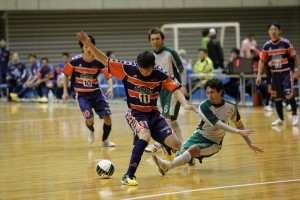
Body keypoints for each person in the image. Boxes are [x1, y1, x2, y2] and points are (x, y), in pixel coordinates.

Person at [76, 31, 198, 186]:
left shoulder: (160, 73)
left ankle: (167, 146)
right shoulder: (128, 69)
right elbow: (105, 60)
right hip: (136, 113)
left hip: (153, 114)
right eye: (142, 69)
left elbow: (175, 89)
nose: (144, 73)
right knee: (145, 136)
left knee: (175, 144)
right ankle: (128, 175)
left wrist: (186, 104)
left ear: (153, 66)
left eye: (147, 70)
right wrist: (90, 44)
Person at [152, 78, 264, 175]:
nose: (210, 95)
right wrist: (237, 131)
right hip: (199, 135)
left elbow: (240, 125)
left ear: (220, 92)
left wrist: (250, 143)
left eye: (212, 92)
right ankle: (189, 158)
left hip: (213, 142)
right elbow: (217, 123)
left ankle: (166, 166)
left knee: (192, 150)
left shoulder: (231, 108)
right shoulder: (204, 106)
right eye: (207, 93)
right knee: (179, 155)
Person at [62, 35, 115, 147]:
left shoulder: (98, 61)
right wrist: (65, 92)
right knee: (90, 119)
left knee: (108, 118)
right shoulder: (75, 61)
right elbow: (66, 74)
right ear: (82, 48)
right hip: (82, 95)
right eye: (86, 46)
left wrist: (110, 87)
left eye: (90, 46)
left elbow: (108, 76)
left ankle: (105, 141)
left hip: (96, 93)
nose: (88, 49)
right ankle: (91, 130)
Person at [146, 27, 187, 153]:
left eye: (157, 38)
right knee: (171, 119)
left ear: (162, 40)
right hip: (161, 90)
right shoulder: (151, 56)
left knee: (166, 117)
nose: (155, 41)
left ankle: (160, 143)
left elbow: (182, 70)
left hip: (173, 88)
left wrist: (184, 86)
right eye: (152, 39)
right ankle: (183, 143)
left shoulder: (170, 52)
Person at [256, 22, 300, 126]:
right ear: (268, 32)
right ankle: (280, 118)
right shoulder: (266, 46)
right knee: (276, 97)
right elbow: (262, 61)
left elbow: (295, 57)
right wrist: (258, 75)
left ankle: (294, 116)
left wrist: (299, 70)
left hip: (286, 73)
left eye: (275, 29)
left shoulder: (285, 43)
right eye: (271, 29)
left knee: (288, 95)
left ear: (279, 31)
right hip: (274, 75)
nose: (273, 31)